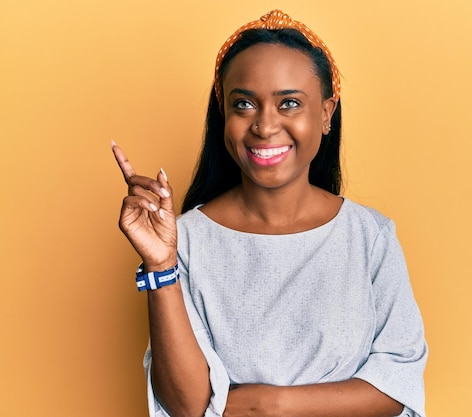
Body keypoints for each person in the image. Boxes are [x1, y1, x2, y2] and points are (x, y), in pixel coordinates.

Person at [113, 10, 427, 417]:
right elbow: (185, 406)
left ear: (327, 113)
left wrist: (268, 404)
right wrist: (160, 264)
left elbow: (397, 384)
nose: (264, 125)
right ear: (223, 114)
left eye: (289, 103)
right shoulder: (184, 241)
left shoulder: (371, 236)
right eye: (243, 103)